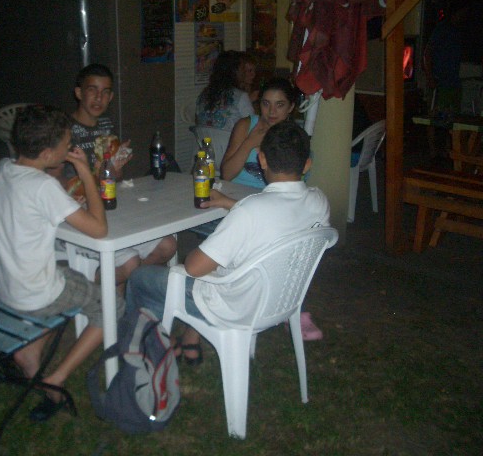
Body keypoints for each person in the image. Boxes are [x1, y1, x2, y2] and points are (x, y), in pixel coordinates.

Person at [125, 121, 330, 364]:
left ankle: (148, 350)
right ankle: (184, 341)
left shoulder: (250, 212)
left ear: (262, 159)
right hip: (283, 300)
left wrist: (205, 246)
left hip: (235, 307)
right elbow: (280, 215)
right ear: (307, 164)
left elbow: (194, 268)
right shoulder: (319, 202)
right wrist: (231, 204)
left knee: (142, 278)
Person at [0, 105, 119, 422]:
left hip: (8, 288)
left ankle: (30, 351)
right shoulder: (43, 187)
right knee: (113, 305)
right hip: (36, 294)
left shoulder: (3, 168)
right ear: (47, 154)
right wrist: (85, 171)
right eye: (66, 144)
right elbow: (99, 229)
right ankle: (56, 378)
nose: (70, 148)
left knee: (70, 276)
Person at [52, 64, 177, 291]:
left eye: (105, 92)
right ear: (79, 92)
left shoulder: (106, 126)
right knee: (129, 263)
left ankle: (120, 289)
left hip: (108, 210)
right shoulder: (63, 131)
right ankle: (88, 288)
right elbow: (59, 186)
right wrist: (100, 173)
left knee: (168, 245)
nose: (99, 98)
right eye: (92, 90)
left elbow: (113, 181)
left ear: (111, 97)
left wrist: (115, 168)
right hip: (75, 217)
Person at [220, 77, 297, 189]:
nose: (272, 111)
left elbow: (291, 187)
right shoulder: (245, 125)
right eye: (266, 103)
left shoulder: (294, 136)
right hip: (235, 190)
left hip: (269, 195)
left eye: (279, 105)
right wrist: (249, 143)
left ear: (290, 107)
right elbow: (226, 175)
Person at [423, 0, 471, 158]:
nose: (464, 16)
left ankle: (449, 150)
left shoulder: (459, 32)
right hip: (439, 81)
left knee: (452, 118)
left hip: (453, 81)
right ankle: (432, 150)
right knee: (433, 117)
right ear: (456, 12)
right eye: (463, 13)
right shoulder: (441, 29)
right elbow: (427, 53)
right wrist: (430, 76)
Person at [195, 50, 255, 134]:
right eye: (242, 69)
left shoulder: (204, 95)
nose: (244, 73)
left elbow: (197, 120)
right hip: (231, 141)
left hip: (207, 141)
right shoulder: (240, 96)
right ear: (235, 72)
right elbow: (253, 126)